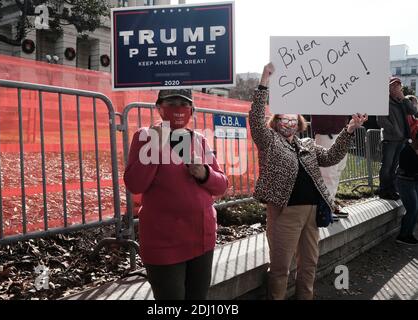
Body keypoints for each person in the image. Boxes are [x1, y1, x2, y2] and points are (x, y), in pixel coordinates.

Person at [249, 62, 367, 300]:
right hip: (285, 212)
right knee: (281, 267)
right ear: (276, 121)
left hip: (312, 213)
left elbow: (332, 156)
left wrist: (350, 129)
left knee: (309, 264)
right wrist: (265, 80)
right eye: (283, 118)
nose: (289, 122)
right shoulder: (269, 141)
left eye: (293, 119)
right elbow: (254, 118)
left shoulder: (308, 145)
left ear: (299, 122)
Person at [123, 89, 228, 300]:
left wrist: (205, 173)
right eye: (171, 103)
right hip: (164, 242)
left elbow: (221, 185)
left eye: (183, 103)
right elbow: (135, 183)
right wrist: (156, 144)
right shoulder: (145, 137)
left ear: (192, 110)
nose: (178, 108)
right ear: (159, 109)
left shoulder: (199, 140)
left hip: (201, 239)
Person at [377, 77, 418, 200]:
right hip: (390, 139)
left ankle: (392, 189)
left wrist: (405, 99)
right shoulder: (384, 102)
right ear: (388, 89)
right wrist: (394, 130)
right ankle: (384, 190)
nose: (397, 88)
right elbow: (381, 120)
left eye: (398, 86)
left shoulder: (402, 102)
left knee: (394, 166)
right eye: (394, 86)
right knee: (387, 166)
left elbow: (414, 111)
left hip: (401, 139)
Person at [311, 115, 350, 217]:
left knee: (337, 171)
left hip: (340, 132)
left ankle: (330, 204)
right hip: (327, 133)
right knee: (328, 174)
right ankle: (325, 208)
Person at [395, 130, 418, 245]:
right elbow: (408, 169)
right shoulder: (406, 151)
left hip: (414, 182)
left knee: (416, 209)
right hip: (405, 182)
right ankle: (403, 235)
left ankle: (409, 233)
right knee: (412, 209)